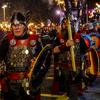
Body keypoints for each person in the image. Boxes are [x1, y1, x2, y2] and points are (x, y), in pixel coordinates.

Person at [0, 12, 42, 100]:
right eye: (14, 25)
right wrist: (2, 77)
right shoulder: (7, 39)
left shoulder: (34, 40)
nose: (16, 27)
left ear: (25, 26)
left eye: (19, 24)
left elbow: (43, 61)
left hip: (28, 85)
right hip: (10, 86)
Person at [52, 18, 79, 100]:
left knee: (73, 88)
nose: (67, 27)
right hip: (63, 67)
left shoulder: (78, 36)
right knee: (65, 87)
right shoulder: (59, 37)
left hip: (75, 67)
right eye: (65, 24)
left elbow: (86, 51)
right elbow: (54, 50)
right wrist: (65, 45)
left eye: (69, 24)